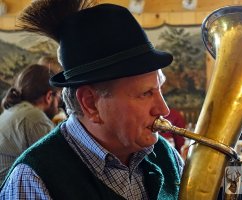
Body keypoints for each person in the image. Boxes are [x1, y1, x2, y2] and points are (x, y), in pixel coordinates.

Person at [0, 1, 184, 199]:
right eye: (146, 93)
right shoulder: (35, 177)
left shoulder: (165, 155)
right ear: (90, 103)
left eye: (159, 89)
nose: (163, 109)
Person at [0, 64, 61, 185]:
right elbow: (56, 166)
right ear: (49, 96)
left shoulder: (13, 111)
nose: (59, 103)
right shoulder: (34, 118)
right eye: (58, 96)